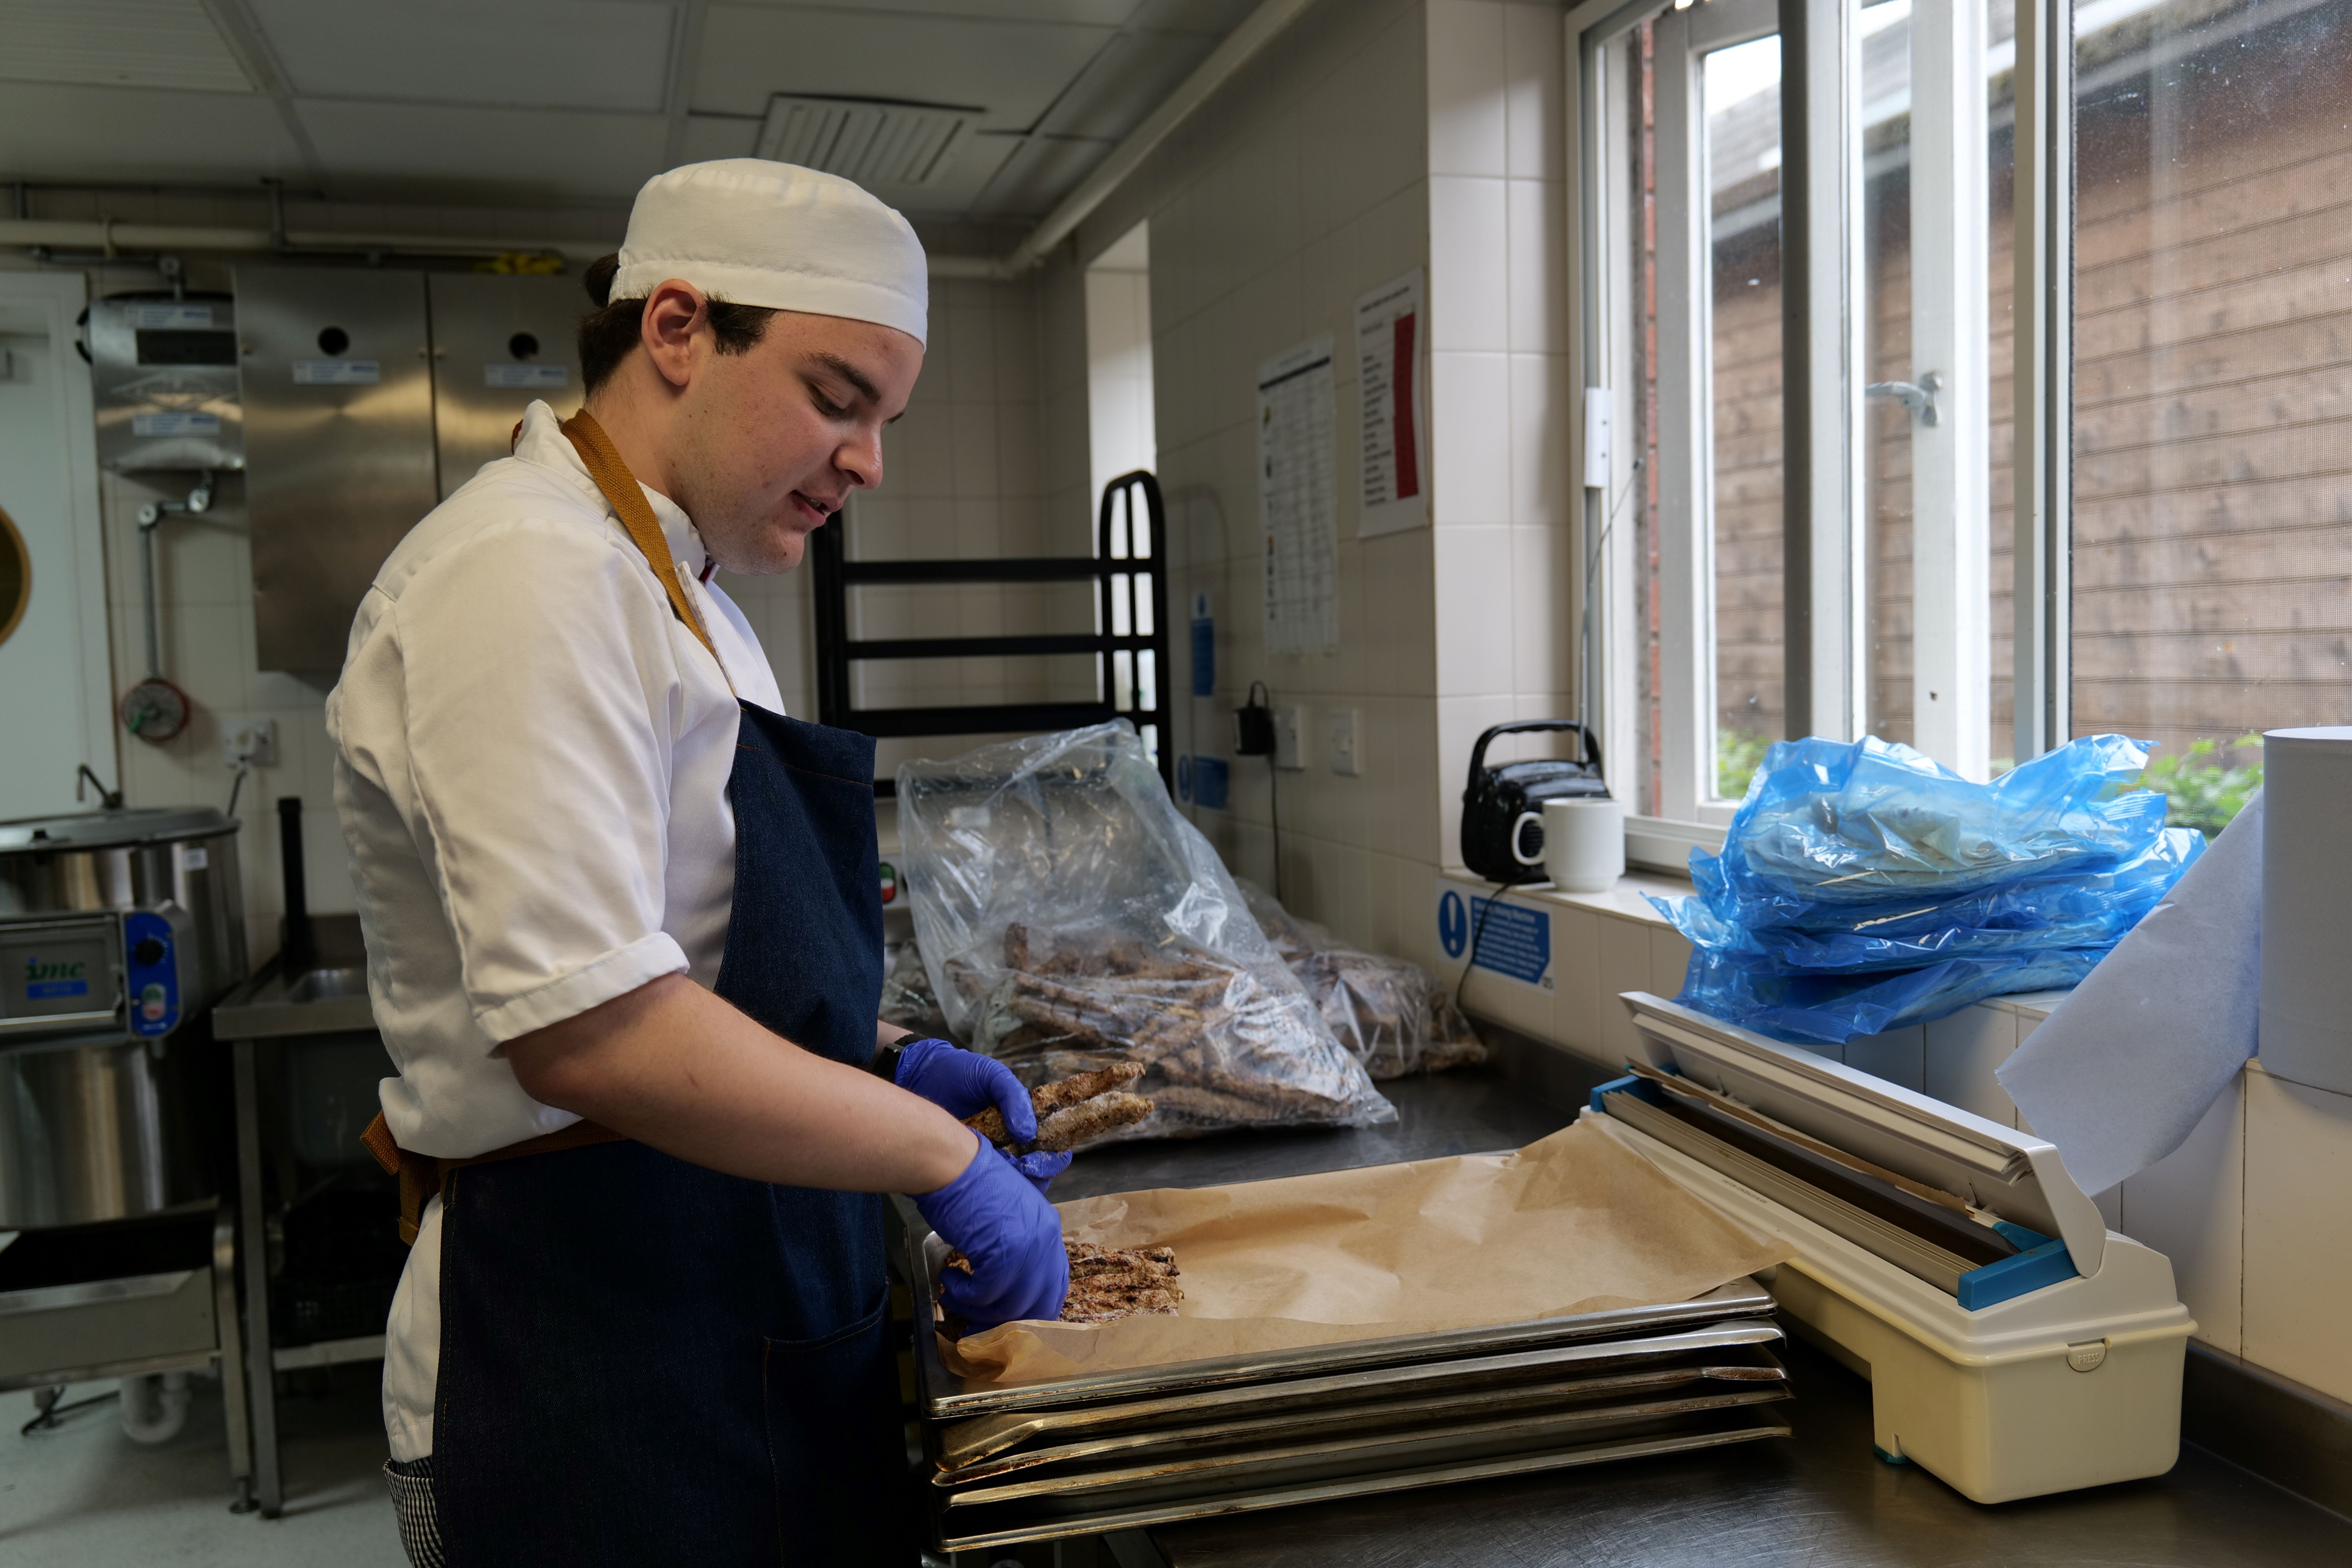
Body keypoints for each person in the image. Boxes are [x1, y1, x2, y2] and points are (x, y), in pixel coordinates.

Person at [327, 159, 1068, 1566]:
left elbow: (693, 950)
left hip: (742, 1304)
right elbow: (591, 1034)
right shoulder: (527, 576)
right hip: (593, 1341)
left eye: (886, 420)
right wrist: (933, 1157)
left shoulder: (691, 594)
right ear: (676, 329)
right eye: (838, 399)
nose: (869, 461)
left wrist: (880, 1053)